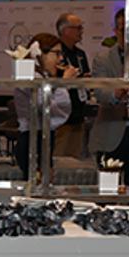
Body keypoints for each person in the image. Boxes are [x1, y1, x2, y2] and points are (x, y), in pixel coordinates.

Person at [91, 8, 129, 191]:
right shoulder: (102, 59)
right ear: (115, 31)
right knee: (107, 190)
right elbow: (100, 93)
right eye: (124, 30)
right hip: (112, 131)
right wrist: (116, 94)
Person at [13, 32, 80, 180]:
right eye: (56, 53)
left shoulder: (44, 78)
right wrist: (63, 82)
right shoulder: (30, 77)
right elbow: (42, 104)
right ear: (41, 55)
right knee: (36, 185)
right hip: (31, 140)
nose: (60, 58)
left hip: (44, 138)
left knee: (45, 182)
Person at [53, 12, 93, 157]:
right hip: (61, 118)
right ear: (65, 30)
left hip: (78, 114)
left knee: (74, 159)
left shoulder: (80, 54)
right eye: (78, 28)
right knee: (58, 158)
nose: (81, 31)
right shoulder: (55, 53)